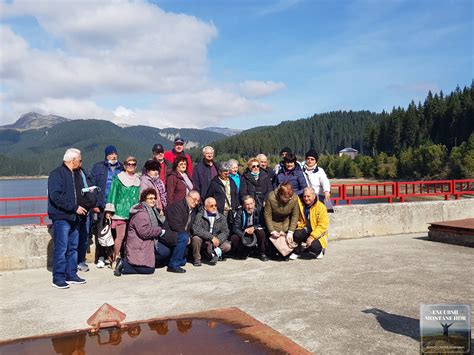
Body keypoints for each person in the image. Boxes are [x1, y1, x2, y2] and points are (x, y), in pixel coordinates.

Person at [114, 188, 184, 275]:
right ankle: (123, 264)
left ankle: (146, 263)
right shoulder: (141, 213)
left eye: (154, 198)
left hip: (148, 241)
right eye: (150, 198)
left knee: (166, 251)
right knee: (149, 270)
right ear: (144, 199)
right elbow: (144, 232)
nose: (153, 200)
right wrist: (160, 231)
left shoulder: (153, 210)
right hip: (139, 245)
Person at [48, 148, 88, 288]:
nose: (81, 162)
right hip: (61, 217)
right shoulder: (57, 174)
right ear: (73, 160)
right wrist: (74, 207)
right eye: (80, 160)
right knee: (61, 247)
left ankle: (71, 274)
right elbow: (56, 196)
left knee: (73, 247)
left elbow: (80, 194)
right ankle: (58, 277)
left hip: (75, 217)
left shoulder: (76, 174)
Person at [90, 145, 123, 268]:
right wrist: (94, 204)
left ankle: (115, 256)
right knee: (102, 232)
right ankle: (101, 257)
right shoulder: (98, 167)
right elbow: (92, 187)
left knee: (116, 233)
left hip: (118, 206)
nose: (113, 156)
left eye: (115, 154)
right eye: (111, 154)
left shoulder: (122, 167)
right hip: (102, 206)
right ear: (106, 155)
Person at [105, 156, 140, 264]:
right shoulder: (118, 178)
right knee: (120, 237)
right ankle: (115, 259)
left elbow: (139, 196)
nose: (131, 166)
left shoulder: (138, 179)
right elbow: (112, 194)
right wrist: (109, 211)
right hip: (120, 211)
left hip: (133, 212)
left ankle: (128, 259)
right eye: (129, 164)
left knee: (130, 238)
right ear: (124, 165)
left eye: (133, 164)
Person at [191, 197, 231, 266]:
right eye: (211, 206)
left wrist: (218, 239)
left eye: (215, 205)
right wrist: (211, 237)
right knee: (196, 239)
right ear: (205, 207)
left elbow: (225, 232)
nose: (214, 207)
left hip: (215, 242)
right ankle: (197, 259)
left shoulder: (221, 217)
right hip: (204, 240)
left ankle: (213, 254)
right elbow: (196, 229)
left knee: (227, 246)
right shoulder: (200, 216)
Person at [264, 183, 300, 260]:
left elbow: (295, 215)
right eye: (285, 198)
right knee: (272, 253)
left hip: (286, 221)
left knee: (284, 254)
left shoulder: (294, 198)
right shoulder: (271, 197)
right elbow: (267, 215)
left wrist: (291, 231)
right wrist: (272, 230)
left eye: (289, 198)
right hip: (274, 221)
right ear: (280, 195)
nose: (288, 200)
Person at [291, 187, 328, 260]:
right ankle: (297, 252)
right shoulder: (301, 204)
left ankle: (319, 251)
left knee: (314, 246)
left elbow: (323, 226)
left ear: (314, 196)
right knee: (296, 233)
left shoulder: (321, 207)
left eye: (308, 196)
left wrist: (312, 237)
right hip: (305, 230)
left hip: (318, 234)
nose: (306, 198)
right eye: (304, 196)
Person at [230, 195, 268, 261]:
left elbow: (262, 224)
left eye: (251, 204)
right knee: (234, 238)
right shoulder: (240, 212)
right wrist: (244, 234)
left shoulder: (258, 211)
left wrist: (254, 228)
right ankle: (245, 251)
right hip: (243, 233)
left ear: (254, 203)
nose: (250, 207)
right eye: (247, 204)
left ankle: (262, 252)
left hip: (254, 232)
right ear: (244, 205)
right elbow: (235, 228)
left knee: (261, 232)